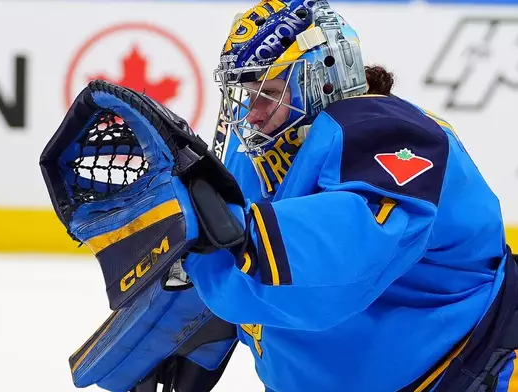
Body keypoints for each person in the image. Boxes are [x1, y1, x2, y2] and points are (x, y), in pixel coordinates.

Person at [45, 1, 518, 391]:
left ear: (325, 78)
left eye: (268, 93)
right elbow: (232, 249)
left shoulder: (394, 134)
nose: (252, 114)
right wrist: (190, 319)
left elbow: (340, 262)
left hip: (472, 369)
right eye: (248, 96)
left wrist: (228, 241)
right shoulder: (260, 150)